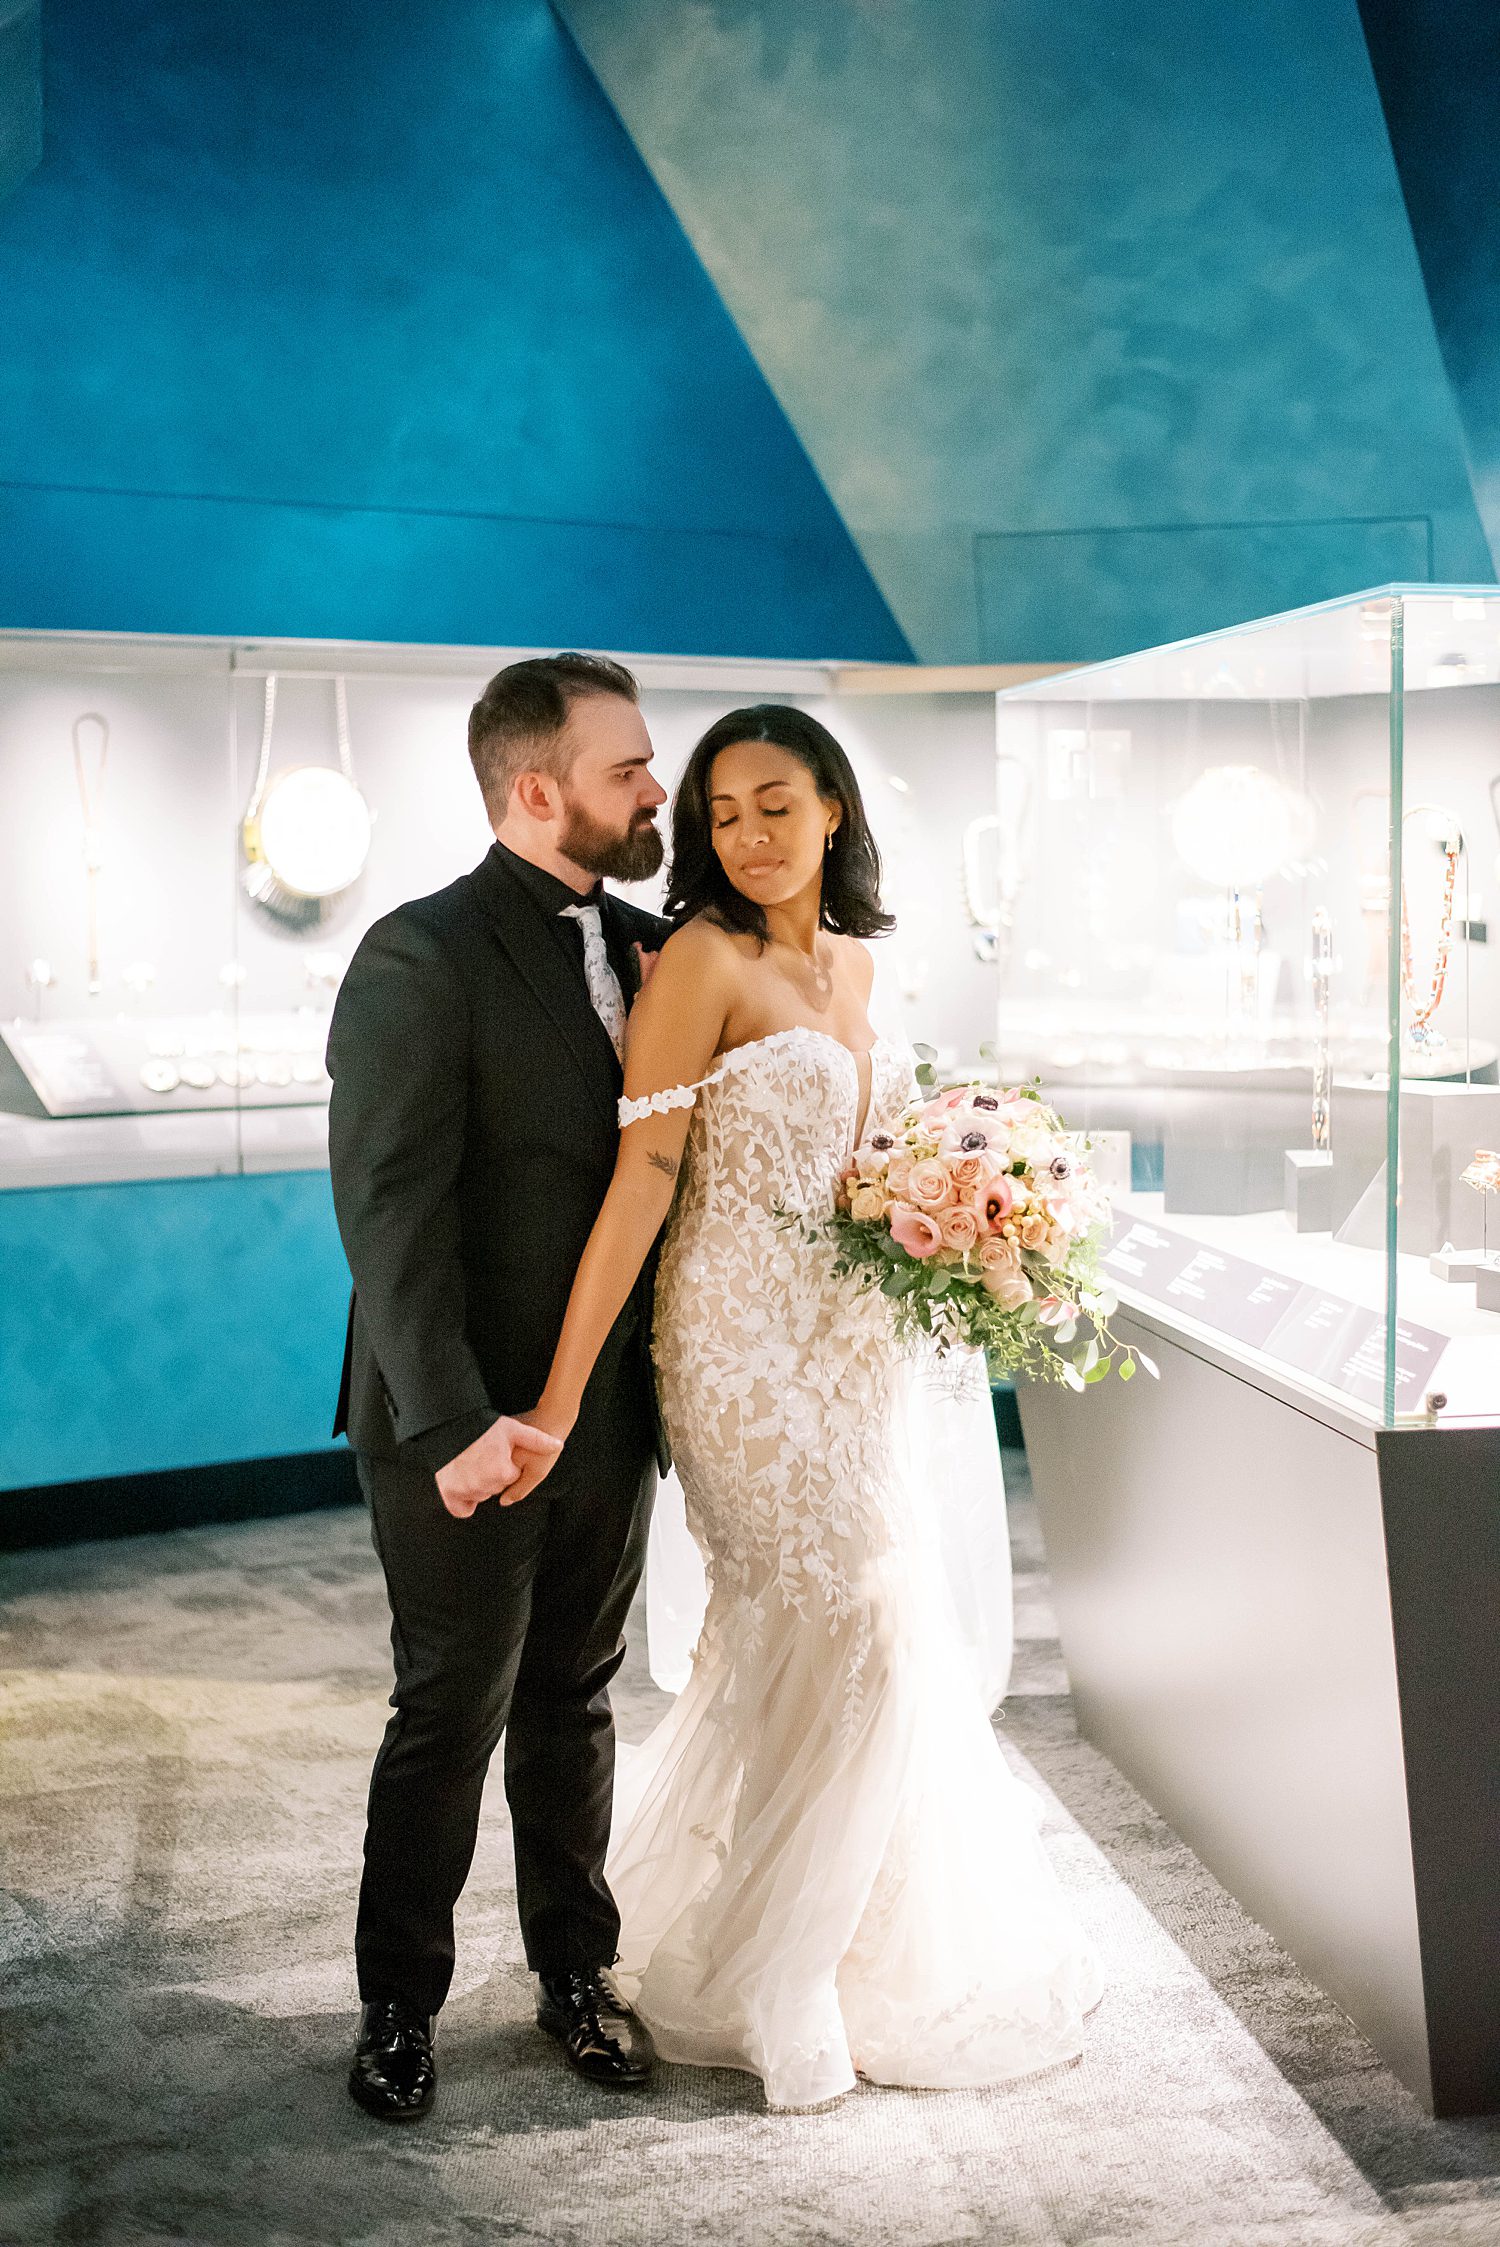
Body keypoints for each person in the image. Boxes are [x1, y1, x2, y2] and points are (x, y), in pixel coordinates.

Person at [501, 703, 1103, 2111]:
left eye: (775, 803)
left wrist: (963, 1206)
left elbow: (856, 1158)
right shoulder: (696, 960)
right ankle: (783, 1977)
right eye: (720, 813)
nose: (748, 835)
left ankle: (846, 1936)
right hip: (735, 1350)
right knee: (850, 1620)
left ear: (833, 806)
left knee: (855, 1631)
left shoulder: (855, 964)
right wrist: (562, 1389)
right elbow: (643, 1177)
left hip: (852, 1344)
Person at [326, 653, 670, 2122]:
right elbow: (388, 1210)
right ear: (537, 791)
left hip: (606, 1411)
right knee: (448, 1706)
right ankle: (398, 2006)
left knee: (575, 1699)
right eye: (628, 769)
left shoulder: (661, 949)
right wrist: (461, 1425)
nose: (659, 790)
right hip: (455, 1420)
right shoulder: (420, 954)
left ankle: (573, 1975)